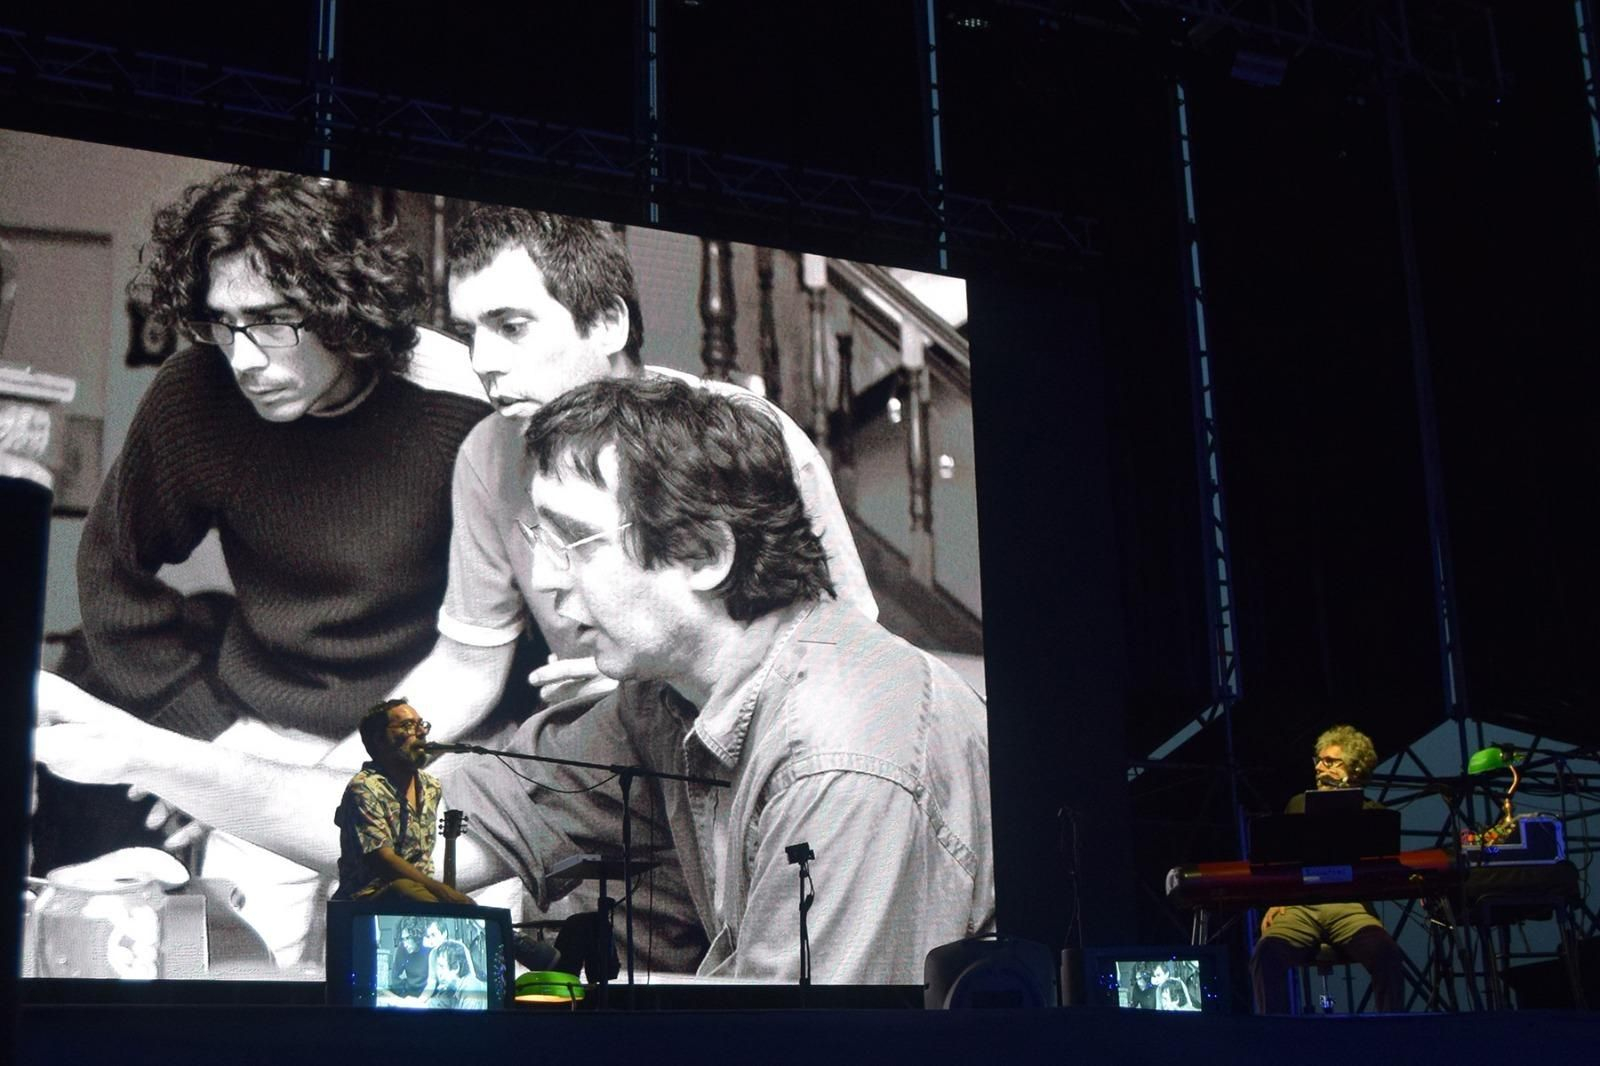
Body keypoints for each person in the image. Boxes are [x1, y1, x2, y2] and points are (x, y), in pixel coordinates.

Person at [35, 376, 993, 983]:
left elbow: (807, 1057)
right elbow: (405, 833)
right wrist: (142, 752)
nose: (544, 579)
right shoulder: (661, 704)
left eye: (573, 539)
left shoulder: (846, 760)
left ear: (703, 552)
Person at [47, 169, 488, 967]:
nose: (245, 358)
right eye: (223, 324)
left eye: (273, 322)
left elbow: (505, 634)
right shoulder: (195, 395)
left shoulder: (462, 402)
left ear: (343, 307)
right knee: (244, 994)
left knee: (423, 1003)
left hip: (429, 743)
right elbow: (111, 577)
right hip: (264, 740)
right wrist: (208, 746)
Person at [372, 206, 876, 757]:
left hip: (757, 746)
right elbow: (465, 668)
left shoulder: (742, 434)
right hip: (601, 754)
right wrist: (360, 763)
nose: (482, 360)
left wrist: (650, 688)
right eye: (468, 334)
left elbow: (844, 650)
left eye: (512, 327)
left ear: (608, 323)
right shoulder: (487, 454)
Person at [1249, 724, 1408, 1013]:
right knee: (1266, 953)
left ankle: (1392, 1033)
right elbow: (1283, 860)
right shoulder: (1298, 804)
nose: (1319, 767)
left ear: (1354, 769)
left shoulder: (1374, 813)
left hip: (1350, 906)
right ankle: (1275, 1035)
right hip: (1300, 904)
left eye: (1330, 761)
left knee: (1387, 953)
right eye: (1318, 760)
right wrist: (1277, 900)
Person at [333, 699, 471, 904]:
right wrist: (441, 891)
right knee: (404, 889)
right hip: (367, 901)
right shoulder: (364, 787)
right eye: (407, 726)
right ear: (379, 739)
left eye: (421, 724)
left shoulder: (430, 786)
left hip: (419, 896)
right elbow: (382, 859)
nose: (421, 732)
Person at [386, 918, 431, 999]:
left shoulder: (428, 948)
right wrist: (403, 995)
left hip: (427, 993)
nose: (405, 944)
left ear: (416, 936)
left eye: (407, 938)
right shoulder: (402, 949)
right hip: (408, 993)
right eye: (403, 939)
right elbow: (395, 976)